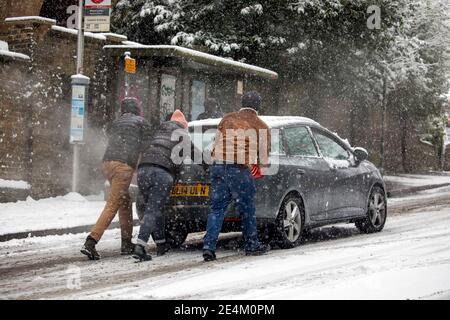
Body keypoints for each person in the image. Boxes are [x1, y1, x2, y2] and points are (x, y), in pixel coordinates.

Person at [202, 91, 271, 262]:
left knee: (217, 209)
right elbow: (263, 158)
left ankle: (209, 247)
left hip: (218, 165)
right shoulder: (261, 126)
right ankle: (252, 244)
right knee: (247, 208)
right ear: (257, 106)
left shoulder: (227, 119)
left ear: (242, 103)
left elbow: (216, 142)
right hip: (239, 169)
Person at [81, 98, 151, 260]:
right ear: (137, 110)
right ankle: (90, 242)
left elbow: (112, 137)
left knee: (124, 200)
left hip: (107, 163)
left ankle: (126, 242)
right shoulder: (142, 122)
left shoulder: (115, 123)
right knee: (113, 204)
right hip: (123, 166)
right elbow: (146, 147)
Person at [133, 110, 193, 261]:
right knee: (153, 210)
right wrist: (208, 165)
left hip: (143, 169)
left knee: (156, 208)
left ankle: (161, 244)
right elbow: (193, 152)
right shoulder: (182, 134)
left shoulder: (158, 131)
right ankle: (140, 246)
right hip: (162, 172)